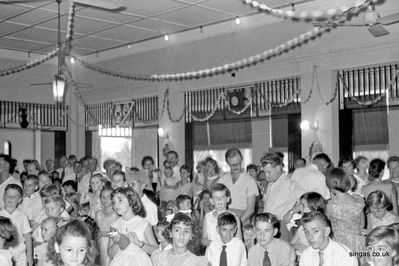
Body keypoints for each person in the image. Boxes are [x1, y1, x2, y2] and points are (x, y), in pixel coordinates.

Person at [261, 152, 305, 241]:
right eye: (264, 172)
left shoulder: (290, 184)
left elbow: (307, 200)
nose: (266, 176)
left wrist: (291, 212)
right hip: (267, 226)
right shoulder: (271, 184)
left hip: (280, 227)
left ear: (278, 168)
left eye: (269, 172)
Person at [108, 187, 157, 265]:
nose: (116, 204)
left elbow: (155, 251)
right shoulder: (114, 225)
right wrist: (116, 243)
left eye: (120, 200)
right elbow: (110, 254)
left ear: (131, 201)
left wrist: (139, 243)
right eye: (114, 202)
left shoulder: (143, 224)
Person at [326, 167, 365, 255]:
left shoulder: (330, 205)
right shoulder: (359, 200)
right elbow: (362, 224)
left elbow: (327, 225)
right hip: (357, 242)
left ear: (330, 185)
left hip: (339, 244)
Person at [218, 148, 258, 224]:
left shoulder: (249, 181)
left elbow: (250, 209)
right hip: (225, 218)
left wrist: (238, 224)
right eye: (232, 165)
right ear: (227, 163)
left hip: (243, 219)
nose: (235, 167)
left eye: (238, 164)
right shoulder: (222, 180)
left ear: (241, 160)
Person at [0, 184, 33, 266]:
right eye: (8, 195)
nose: (10, 198)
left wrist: (29, 256)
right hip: (3, 254)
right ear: (3, 197)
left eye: (14, 197)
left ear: (19, 200)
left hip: (20, 256)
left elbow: (28, 238)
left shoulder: (23, 217)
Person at [95, 186, 118, 266]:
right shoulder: (98, 213)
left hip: (111, 245)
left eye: (109, 197)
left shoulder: (116, 214)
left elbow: (118, 234)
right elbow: (96, 230)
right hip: (99, 245)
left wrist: (103, 234)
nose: (106, 199)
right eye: (103, 197)